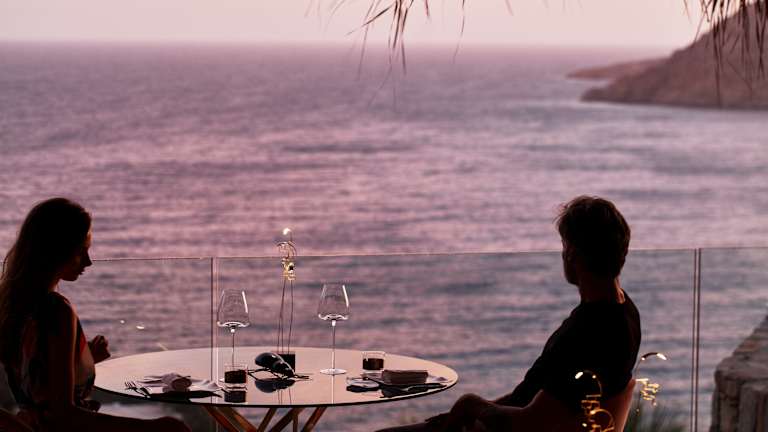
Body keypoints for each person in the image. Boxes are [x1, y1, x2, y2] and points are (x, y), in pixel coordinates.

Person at [378, 196, 641, 432]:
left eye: (564, 245)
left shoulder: (588, 332)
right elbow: (537, 400)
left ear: (572, 254)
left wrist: (472, 404)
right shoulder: (624, 313)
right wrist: (479, 410)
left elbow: (530, 422)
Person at [0, 198, 190, 432]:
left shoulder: (12, 305)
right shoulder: (56, 310)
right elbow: (64, 415)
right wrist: (155, 427)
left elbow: (36, 379)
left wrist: (80, 361)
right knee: (174, 427)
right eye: (81, 252)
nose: (88, 262)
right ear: (57, 251)